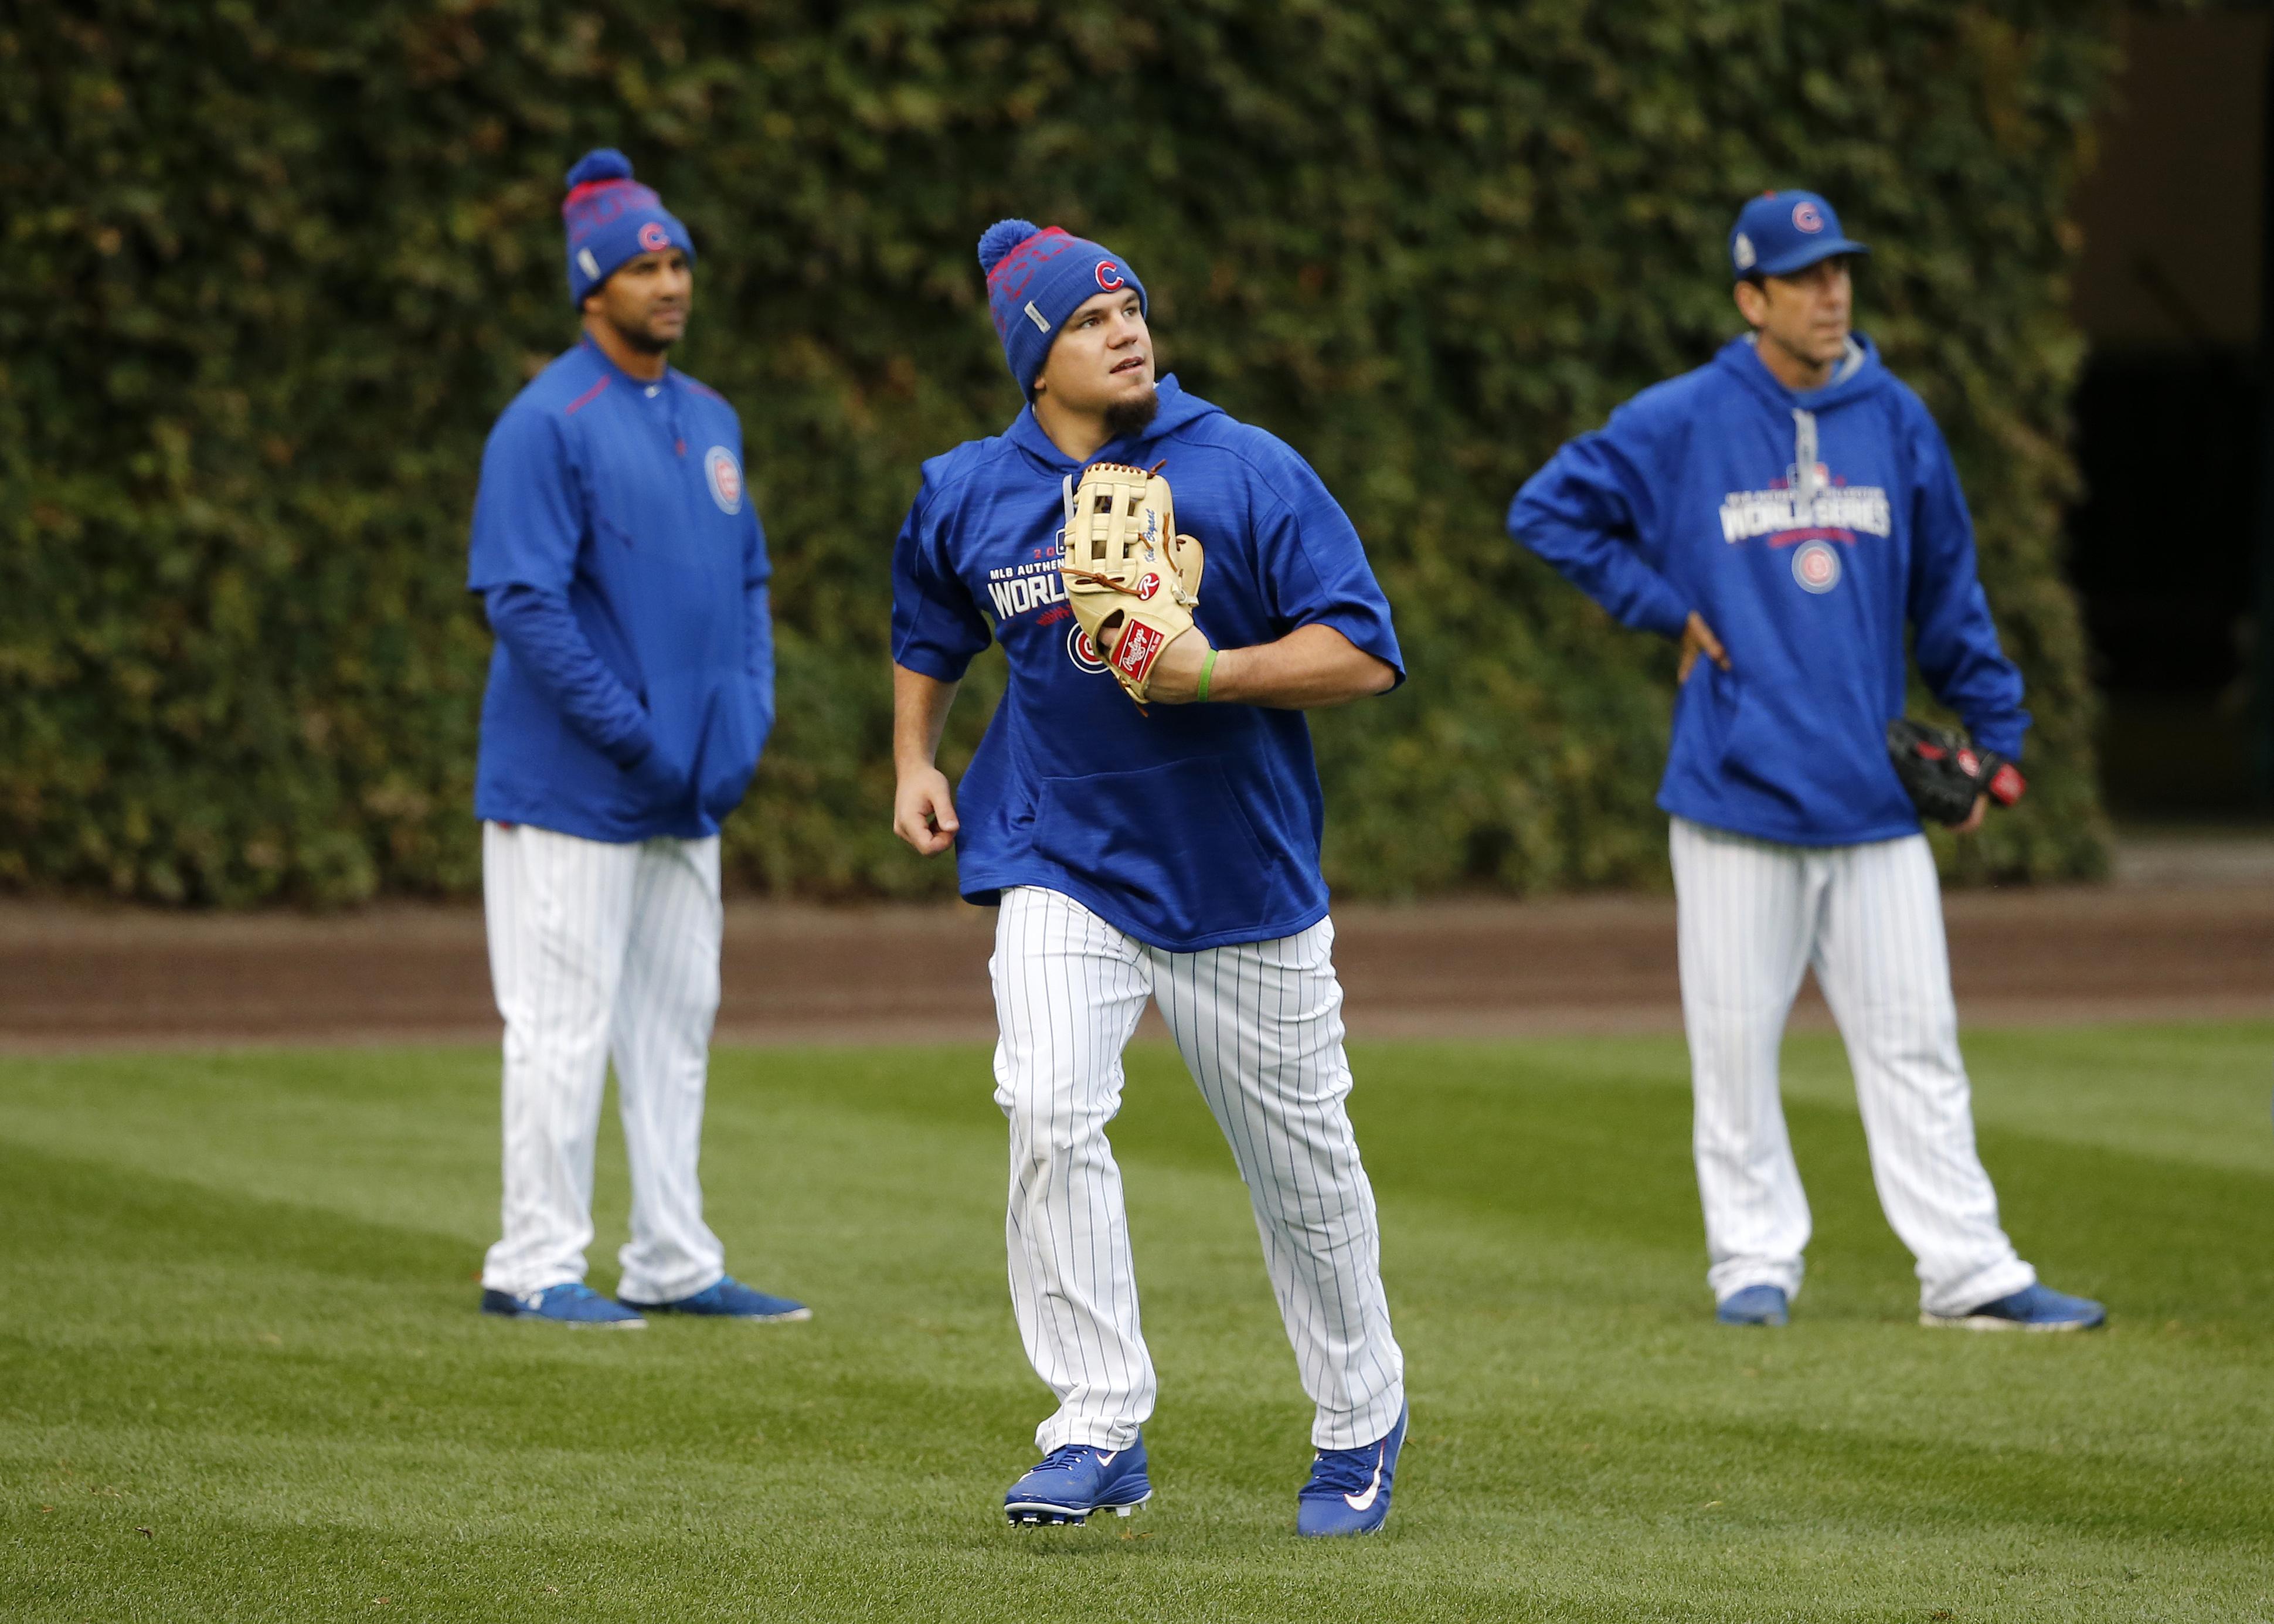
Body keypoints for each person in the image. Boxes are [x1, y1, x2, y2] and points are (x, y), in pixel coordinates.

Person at [889, 219, 1410, 1534]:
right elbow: (929, 626)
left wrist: (1213, 670)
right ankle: (1094, 1418)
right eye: (1085, 316)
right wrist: (913, 758)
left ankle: (1356, 1421)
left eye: (1129, 301)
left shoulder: (1242, 468)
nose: (1123, 326)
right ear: (1032, 353)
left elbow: (1361, 648)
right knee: (1048, 1108)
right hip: (1054, 851)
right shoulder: (963, 488)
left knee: (1302, 1172)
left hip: (1237, 871)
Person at [1506, 190, 2105, 1334]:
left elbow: (1948, 595)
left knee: (1914, 1040)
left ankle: (1967, 1271)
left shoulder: (1897, 418)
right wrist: (1659, 603)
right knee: (1732, 1043)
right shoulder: (1684, 415)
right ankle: (1750, 1263)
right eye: (1803, 275)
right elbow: (1548, 509)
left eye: (1838, 270)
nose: (1830, 291)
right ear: (1751, 297)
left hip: (1871, 799)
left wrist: (1995, 739)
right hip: (1734, 791)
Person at [466, 148, 806, 1329]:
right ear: (590, 284)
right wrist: (635, 739)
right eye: (642, 265)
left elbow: (750, 576)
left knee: (674, 1028)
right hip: (569, 787)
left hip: (686, 789)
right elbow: (523, 604)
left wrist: (745, 715)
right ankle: (533, 1262)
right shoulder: (544, 420)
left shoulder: (710, 416)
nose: (668, 282)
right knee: (560, 1029)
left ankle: (670, 1255)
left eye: (677, 262)